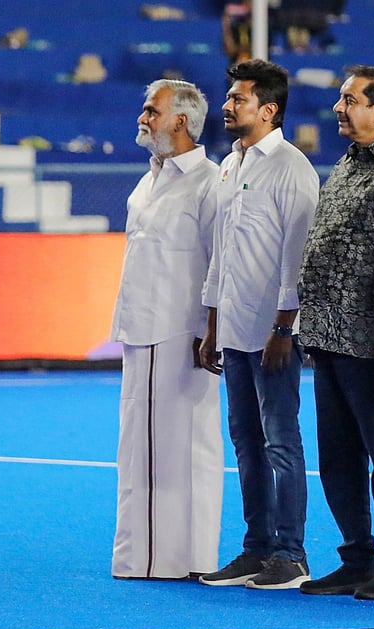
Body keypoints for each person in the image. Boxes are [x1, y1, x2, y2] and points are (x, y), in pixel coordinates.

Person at [296, 65, 374, 601]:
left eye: (349, 100)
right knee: (336, 457)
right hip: (326, 335)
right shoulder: (348, 162)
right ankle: (356, 558)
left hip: (372, 339)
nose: (338, 108)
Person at [196, 59, 320, 591]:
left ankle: (291, 555)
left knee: (280, 442)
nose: (227, 105)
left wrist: (286, 327)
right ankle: (256, 548)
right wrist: (212, 324)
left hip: (272, 333)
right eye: (229, 97)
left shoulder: (292, 168)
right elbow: (220, 253)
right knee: (246, 441)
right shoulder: (230, 164)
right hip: (234, 327)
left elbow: (299, 256)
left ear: (268, 110)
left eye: (238, 98)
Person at [110, 79, 225, 581]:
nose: (142, 118)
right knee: (142, 447)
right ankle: (150, 555)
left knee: (180, 448)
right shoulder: (148, 180)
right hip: (141, 325)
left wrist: (211, 329)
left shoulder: (209, 183)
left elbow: (220, 261)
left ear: (180, 120)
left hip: (179, 330)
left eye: (150, 110)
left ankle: (173, 558)